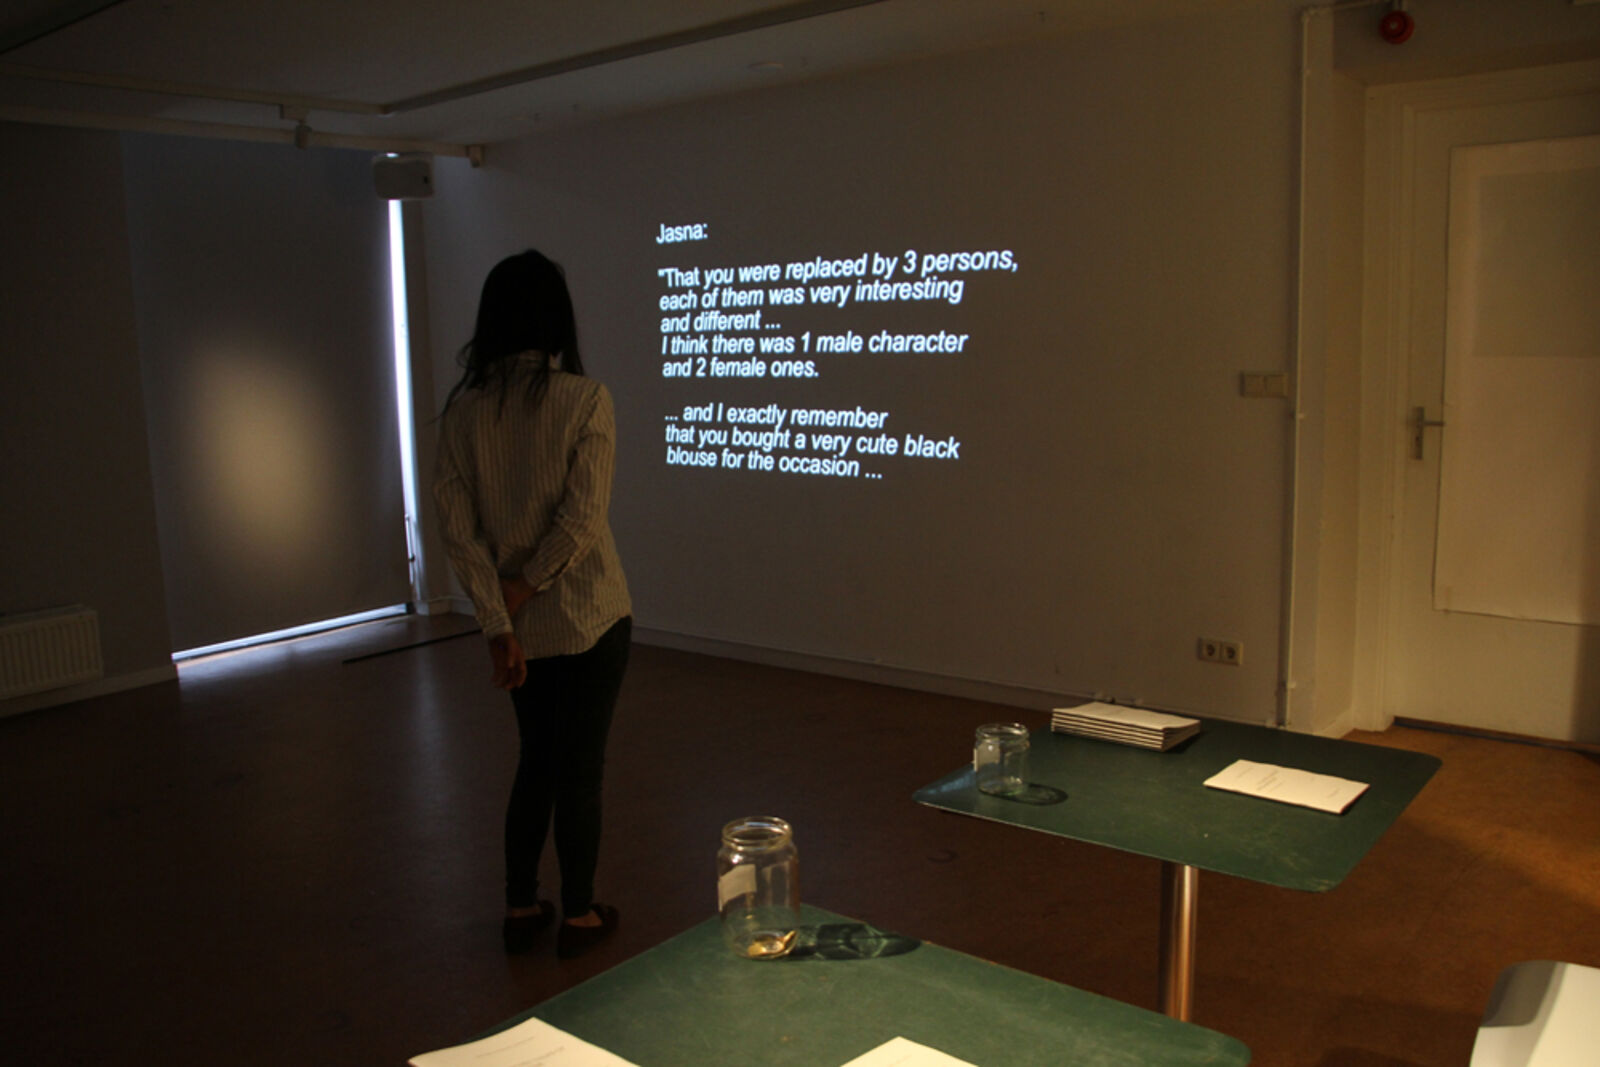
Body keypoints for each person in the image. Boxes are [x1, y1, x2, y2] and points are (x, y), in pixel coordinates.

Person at [432, 249, 632, 959]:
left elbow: (459, 536)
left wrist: (498, 619)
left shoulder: (462, 415)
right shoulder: (586, 399)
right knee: (580, 769)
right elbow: (582, 523)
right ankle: (578, 915)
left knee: (536, 762)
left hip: (521, 632)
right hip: (590, 618)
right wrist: (522, 590)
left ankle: (521, 907)